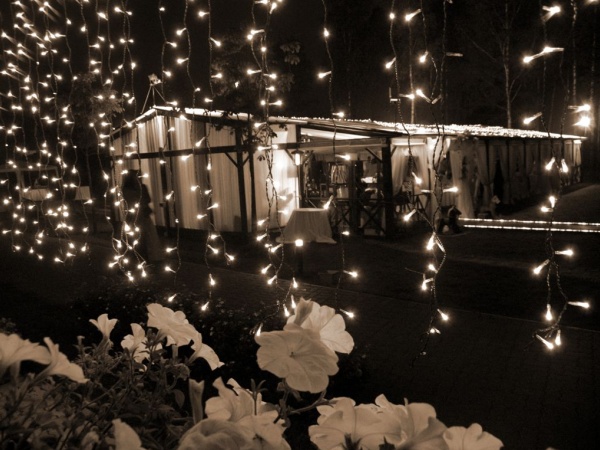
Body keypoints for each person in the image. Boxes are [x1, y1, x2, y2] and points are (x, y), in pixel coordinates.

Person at [121, 171, 163, 266]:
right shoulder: (137, 188)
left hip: (136, 216)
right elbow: (145, 200)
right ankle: (142, 258)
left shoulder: (131, 188)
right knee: (142, 238)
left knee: (140, 238)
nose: (140, 178)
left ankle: (140, 258)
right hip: (138, 216)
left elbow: (144, 200)